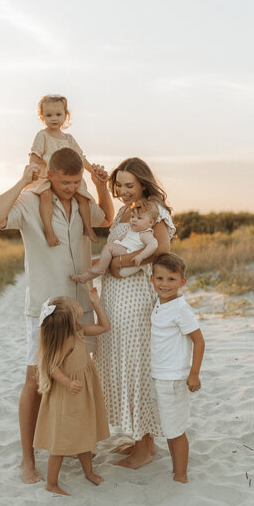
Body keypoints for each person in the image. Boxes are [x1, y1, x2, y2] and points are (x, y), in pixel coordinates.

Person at [0, 147, 113, 484]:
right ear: (50, 174)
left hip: (80, 304)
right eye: (65, 181)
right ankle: (28, 460)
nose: (70, 187)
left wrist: (98, 186)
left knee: (77, 376)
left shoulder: (82, 200)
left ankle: (73, 443)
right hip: (45, 309)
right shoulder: (29, 201)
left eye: (75, 181)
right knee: (36, 381)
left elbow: (107, 219)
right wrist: (22, 180)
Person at [94, 157, 176, 469]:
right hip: (117, 301)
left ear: (143, 183)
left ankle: (145, 448)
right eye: (120, 185)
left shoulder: (155, 211)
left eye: (130, 185)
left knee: (139, 370)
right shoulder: (126, 213)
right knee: (126, 368)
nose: (124, 190)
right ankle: (142, 442)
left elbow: (163, 253)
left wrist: (120, 264)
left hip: (137, 304)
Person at [34, 289, 110, 496]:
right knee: (62, 441)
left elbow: (105, 326)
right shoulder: (65, 340)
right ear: (68, 317)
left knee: (83, 433)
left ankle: (89, 472)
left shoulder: (78, 331)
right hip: (68, 396)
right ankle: (51, 483)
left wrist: (96, 304)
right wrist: (68, 382)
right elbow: (52, 366)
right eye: (75, 305)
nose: (79, 305)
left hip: (82, 393)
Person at [150, 252, 205, 483]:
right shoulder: (161, 303)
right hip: (160, 375)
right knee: (169, 428)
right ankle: (176, 469)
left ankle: (181, 476)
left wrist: (194, 374)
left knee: (176, 430)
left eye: (171, 279)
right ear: (152, 279)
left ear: (182, 282)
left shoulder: (181, 309)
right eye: (160, 278)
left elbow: (199, 340)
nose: (164, 284)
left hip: (174, 378)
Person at [29, 94, 104, 246]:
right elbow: (35, 155)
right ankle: (49, 231)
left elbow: (80, 158)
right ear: (42, 117)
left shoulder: (69, 139)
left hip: (68, 178)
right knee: (45, 195)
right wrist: (32, 170)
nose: (54, 118)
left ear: (66, 116)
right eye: (49, 115)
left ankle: (88, 228)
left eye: (58, 114)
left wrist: (92, 171)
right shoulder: (42, 135)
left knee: (82, 197)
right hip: (47, 176)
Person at [69, 198, 158, 284]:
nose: (134, 220)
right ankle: (84, 278)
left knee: (109, 248)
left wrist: (141, 256)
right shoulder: (133, 230)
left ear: (150, 222)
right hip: (125, 253)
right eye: (132, 216)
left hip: (129, 253)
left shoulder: (146, 233)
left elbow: (153, 244)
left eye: (139, 218)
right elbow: (124, 237)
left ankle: (101, 269)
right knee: (103, 261)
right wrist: (118, 240)